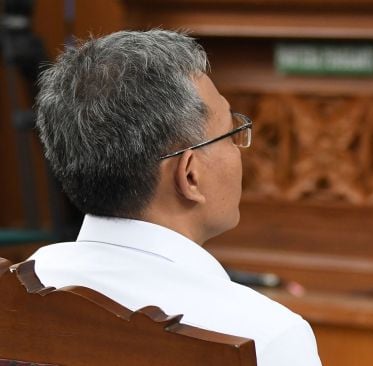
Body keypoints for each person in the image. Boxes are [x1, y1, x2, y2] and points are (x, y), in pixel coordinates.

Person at [29, 29, 321, 366]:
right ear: (190, 175)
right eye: (232, 133)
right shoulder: (264, 335)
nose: (241, 149)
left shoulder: (20, 288)